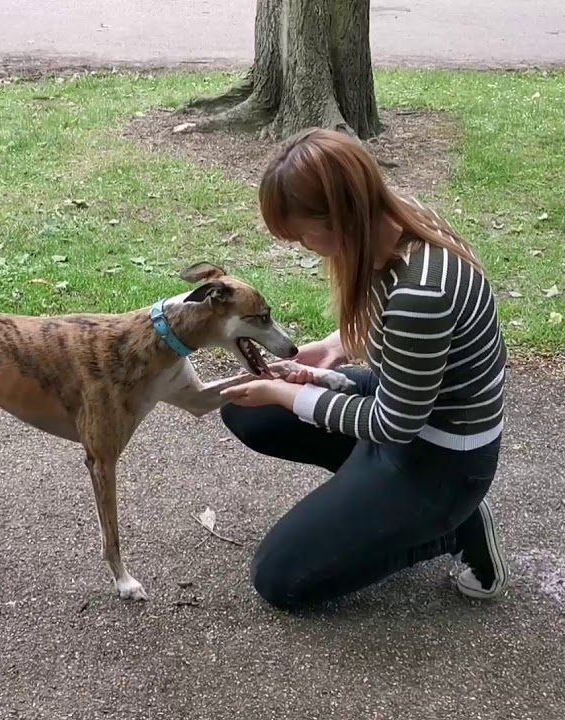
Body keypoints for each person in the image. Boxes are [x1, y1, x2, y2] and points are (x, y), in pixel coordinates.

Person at [218, 128, 510, 611]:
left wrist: (290, 395)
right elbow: (399, 341)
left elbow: (393, 425)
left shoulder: (423, 293)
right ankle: (378, 504)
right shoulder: (399, 219)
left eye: (303, 234)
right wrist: (334, 349)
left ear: (340, 217)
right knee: (248, 412)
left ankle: (455, 528)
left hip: (440, 460)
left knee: (280, 579)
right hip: (412, 406)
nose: (303, 246)